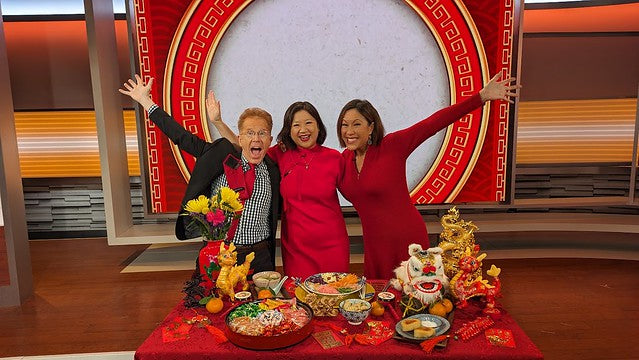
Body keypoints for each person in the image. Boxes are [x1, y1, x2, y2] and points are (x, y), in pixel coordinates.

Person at [337, 74, 521, 279]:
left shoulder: (392, 146)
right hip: (374, 246)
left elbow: (433, 123)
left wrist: (480, 97)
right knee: (381, 302)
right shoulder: (342, 160)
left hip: (407, 238)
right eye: (345, 125)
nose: (349, 131)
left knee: (416, 300)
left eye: (356, 124)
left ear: (371, 127)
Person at [118, 75, 281, 274]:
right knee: (212, 304)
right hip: (221, 252)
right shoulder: (222, 158)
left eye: (262, 133)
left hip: (260, 256)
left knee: (261, 303)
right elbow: (181, 136)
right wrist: (146, 101)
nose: (256, 138)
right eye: (250, 133)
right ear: (240, 138)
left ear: (270, 139)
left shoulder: (273, 169)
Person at [209, 99, 349, 279]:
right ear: (289, 131)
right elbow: (244, 146)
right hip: (297, 248)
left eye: (309, 123)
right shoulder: (280, 154)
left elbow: (355, 192)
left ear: (319, 127)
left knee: (336, 296)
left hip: (332, 243)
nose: (303, 129)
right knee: (301, 301)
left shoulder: (335, 158)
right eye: (296, 125)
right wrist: (218, 122)